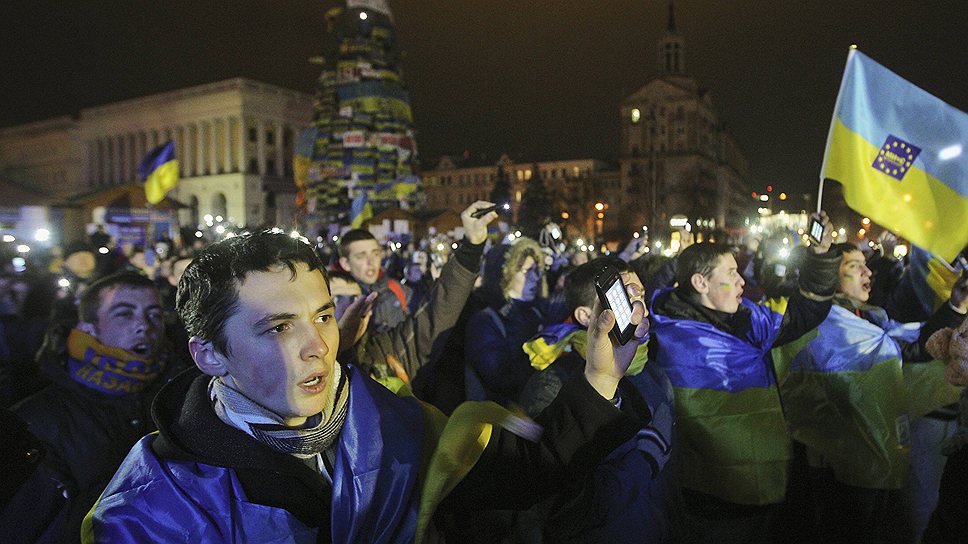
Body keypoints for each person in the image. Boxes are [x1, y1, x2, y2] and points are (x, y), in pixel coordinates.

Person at [83, 224, 654, 542]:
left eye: (324, 316)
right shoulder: (150, 513)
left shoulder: (387, 419)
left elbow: (520, 476)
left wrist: (602, 373)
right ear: (208, 354)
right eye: (278, 327)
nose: (318, 346)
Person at [648, 212, 839, 544]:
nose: (741, 281)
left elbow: (804, 313)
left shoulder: (750, 318)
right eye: (731, 273)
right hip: (709, 499)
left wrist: (820, 259)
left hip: (765, 485)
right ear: (700, 282)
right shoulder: (660, 338)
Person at [778, 243, 968, 544]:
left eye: (865, 264)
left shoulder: (872, 317)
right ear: (829, 277)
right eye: (854, 267)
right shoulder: (817, 325)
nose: (868, 271)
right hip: (835, 468)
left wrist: (956, 304)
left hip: (875, 456)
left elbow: (912, 348)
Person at [1, 271, 178, 543]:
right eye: (124, 314)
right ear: (88, 328)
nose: (144, 325)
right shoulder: (37, 420)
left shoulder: (183, 393)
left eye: (154, 314)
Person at [518, 257, 681, 542]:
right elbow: (560, 503)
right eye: (624, 293)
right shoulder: (550, 386)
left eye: (639, 293)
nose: (637, 301)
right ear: (585, 316)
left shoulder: (652, 371)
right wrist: (646, 458)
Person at [331, 202, 489, 386]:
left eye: (375, 253)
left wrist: (471, 247)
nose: (370, 261)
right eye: (336, 299)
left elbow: (435, 315)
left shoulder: (384, 350)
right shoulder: (305, 365)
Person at [464, 236, 549, 404]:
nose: (535, 278)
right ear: (505, 273)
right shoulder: (484, 321)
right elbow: (500, 380)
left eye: (536, 271)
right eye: (526, 272)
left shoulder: (536, 313)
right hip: (499, 420)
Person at [338, 228, 411, 333]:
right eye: (361, 256)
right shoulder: (337, 300)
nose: (371, 262)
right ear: (345, 263)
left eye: (375, 254)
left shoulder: (398, 289)